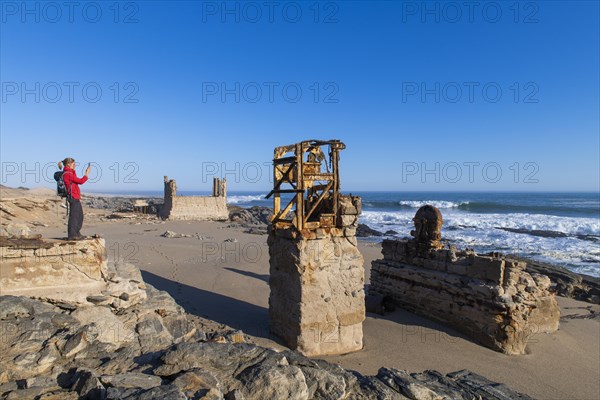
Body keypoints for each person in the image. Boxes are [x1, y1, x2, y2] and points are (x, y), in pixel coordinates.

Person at [58, 157, 91, 240]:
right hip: (73, 197)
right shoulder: (68, 174)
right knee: (74, 216)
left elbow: (75, 183)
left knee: (79, 216)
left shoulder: (70, 173)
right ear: (69, 164)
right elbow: (81, 181)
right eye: (74, 164)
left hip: (75, 196)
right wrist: (86, 174)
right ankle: (72, 235)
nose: (75, 165)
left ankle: (76, 233)